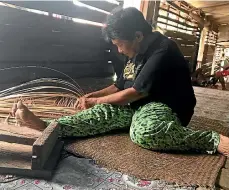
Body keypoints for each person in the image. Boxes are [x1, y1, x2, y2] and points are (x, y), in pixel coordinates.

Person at [12, 7, 229, 156]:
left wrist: (99, 101)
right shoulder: (136, 52)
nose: (118, 49)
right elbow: (120, 85)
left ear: (137, 35)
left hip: (165, 107)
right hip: (135, 105)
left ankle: (211, 139)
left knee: (144, 132)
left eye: (119, 44)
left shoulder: (164, 50)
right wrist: (95, 96)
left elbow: (136, 92)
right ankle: (46, 127)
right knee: (98, 113)